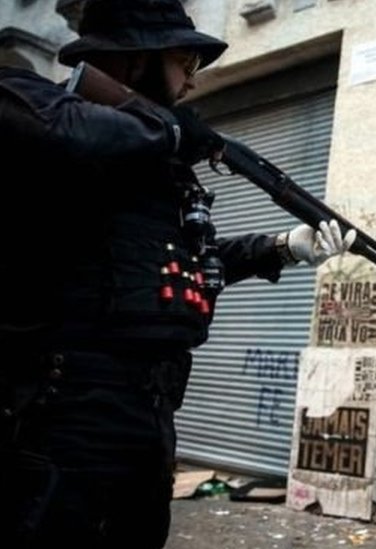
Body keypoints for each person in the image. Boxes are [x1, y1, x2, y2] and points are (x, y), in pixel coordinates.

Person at [0, 1, 357, 547]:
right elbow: (69, 133)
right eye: (184, 61)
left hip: (150, 412)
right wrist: (167, 130)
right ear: (136, 58)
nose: (193, 81)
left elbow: (183, 264)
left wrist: (282, 247)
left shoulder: (155, 159)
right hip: (62, 413)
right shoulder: (36, 106)